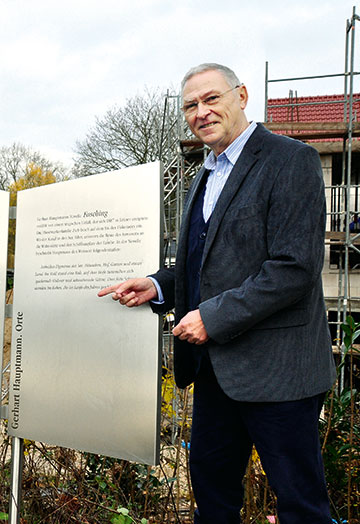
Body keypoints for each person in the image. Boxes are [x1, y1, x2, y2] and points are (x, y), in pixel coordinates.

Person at [99, 63, 336, 523]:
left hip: (279, 374)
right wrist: (157, 285)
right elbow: (205, 265)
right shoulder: (205, 175)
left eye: (212, 99)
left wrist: (213, 317)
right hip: (216, 374)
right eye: (191, 105)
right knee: (213, 498)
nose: (201, 112)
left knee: (300, 505)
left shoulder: (291, 160)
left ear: (242, 96)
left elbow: (295, 267)